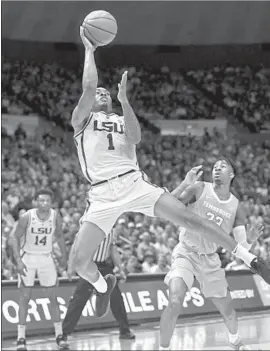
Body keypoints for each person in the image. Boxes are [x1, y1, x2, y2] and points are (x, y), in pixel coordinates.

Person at [71, 27, 270, 320]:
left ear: (111, 101)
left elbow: (136, 138)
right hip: (101, 193)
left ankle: (251, 259)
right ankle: (103, 287)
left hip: (133, 182)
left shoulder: (121, 119)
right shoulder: (82, 121)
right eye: (97, 93)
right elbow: (89, 88)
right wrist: (89, 50)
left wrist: (125, 101)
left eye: (105, 93)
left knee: (190, 219)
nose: (100, 93)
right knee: (78, 262)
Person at [159, 158, 265, 350]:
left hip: (210, 260)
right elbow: (168, 206)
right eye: (215, 166)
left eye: (222, 166)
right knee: (175, 300)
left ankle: (235, 341)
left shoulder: (236, 206)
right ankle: (163, 348)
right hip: (186, 253)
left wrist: (249, 240)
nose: (217, 169)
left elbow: (241, 248)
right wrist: (185, 183)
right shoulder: (199, 188)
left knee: (228, 311)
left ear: (232, 175)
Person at [11, 189, 69, 351]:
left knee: (53, 297)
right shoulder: (27, 217)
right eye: (41, 200)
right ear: (35, 201)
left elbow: (59, 235)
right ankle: (21, 338)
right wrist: (18, 261)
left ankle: (59, 335)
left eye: (47, 201)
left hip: (46, 258)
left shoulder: (55, 216)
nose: (44, 203)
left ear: (51, 202)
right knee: (24, 297)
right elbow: (15, 237)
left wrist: (64, 256)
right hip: (28, 258)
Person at [58, 227, 135, 347]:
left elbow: (112, 249)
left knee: (116, 299)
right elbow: (75, 247)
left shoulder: (111, 229)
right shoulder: (89, 225)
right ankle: (63, 334)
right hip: (88, 265)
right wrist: (70, 267)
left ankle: (125, 331)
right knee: (78, 301)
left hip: (105, 267)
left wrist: (120, 268)